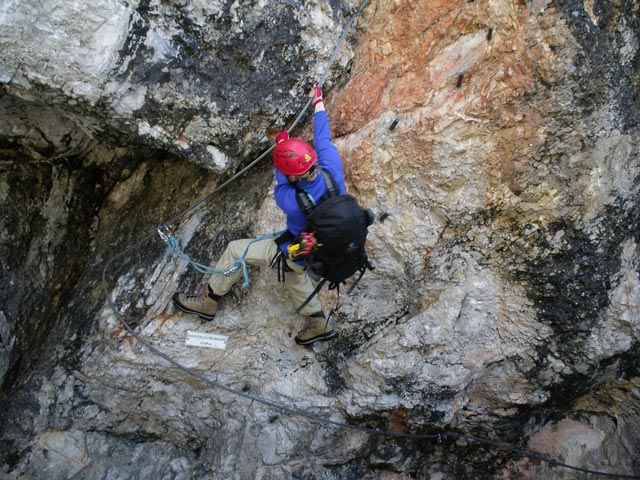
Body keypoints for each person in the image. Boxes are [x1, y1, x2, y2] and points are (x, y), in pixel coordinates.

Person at [172, 84, 345, 345]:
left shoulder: (291, 200)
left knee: (236, 250)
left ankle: (208, 302)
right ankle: (318, 321)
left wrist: (282, 143)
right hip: (334, 242)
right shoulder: (331, 168)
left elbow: (283, 179)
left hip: (302, 248)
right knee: (293, 271)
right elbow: (323, 137)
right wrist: (318, 102)